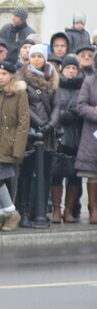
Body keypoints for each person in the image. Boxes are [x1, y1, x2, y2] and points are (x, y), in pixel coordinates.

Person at [16, 44, 59, 226]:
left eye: (39, 56)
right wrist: (41, 124)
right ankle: (23, 211)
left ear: (45, 58)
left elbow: (57, 104)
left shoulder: (53, 78)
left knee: (44, 174)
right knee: (26, 174)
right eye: (33, 56)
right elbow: (24, 105)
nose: (36, 59)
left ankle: (39, 210)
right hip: (30, 132)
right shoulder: (22, 78)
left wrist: (50, 125)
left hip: (48, 134)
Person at [0, 62, 29, 231]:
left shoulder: (19, 92)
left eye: (4, 73)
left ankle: (11, 213)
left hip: (9, 142)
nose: (0, 77)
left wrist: (17, 148)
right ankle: (2, 215)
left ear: (11, 74)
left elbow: (23, 122)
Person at [51, 55, 83, 223]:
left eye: (74, 68)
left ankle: (69, 210)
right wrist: (60, 116)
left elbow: (84, 105)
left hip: (77, 135)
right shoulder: (55, 86)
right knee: (56, 173)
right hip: (59, 135)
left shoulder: (82, 87)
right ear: (62, 69)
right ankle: (57, 209)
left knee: (74, 175)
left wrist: (74, 114)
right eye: (68, 68)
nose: (71, 71)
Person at [75, 52, 97, 223]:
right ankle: (93, 209)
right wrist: (94, 111)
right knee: (92, 174)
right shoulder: (89, 81)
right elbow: (81, 106)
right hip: (93, 133)